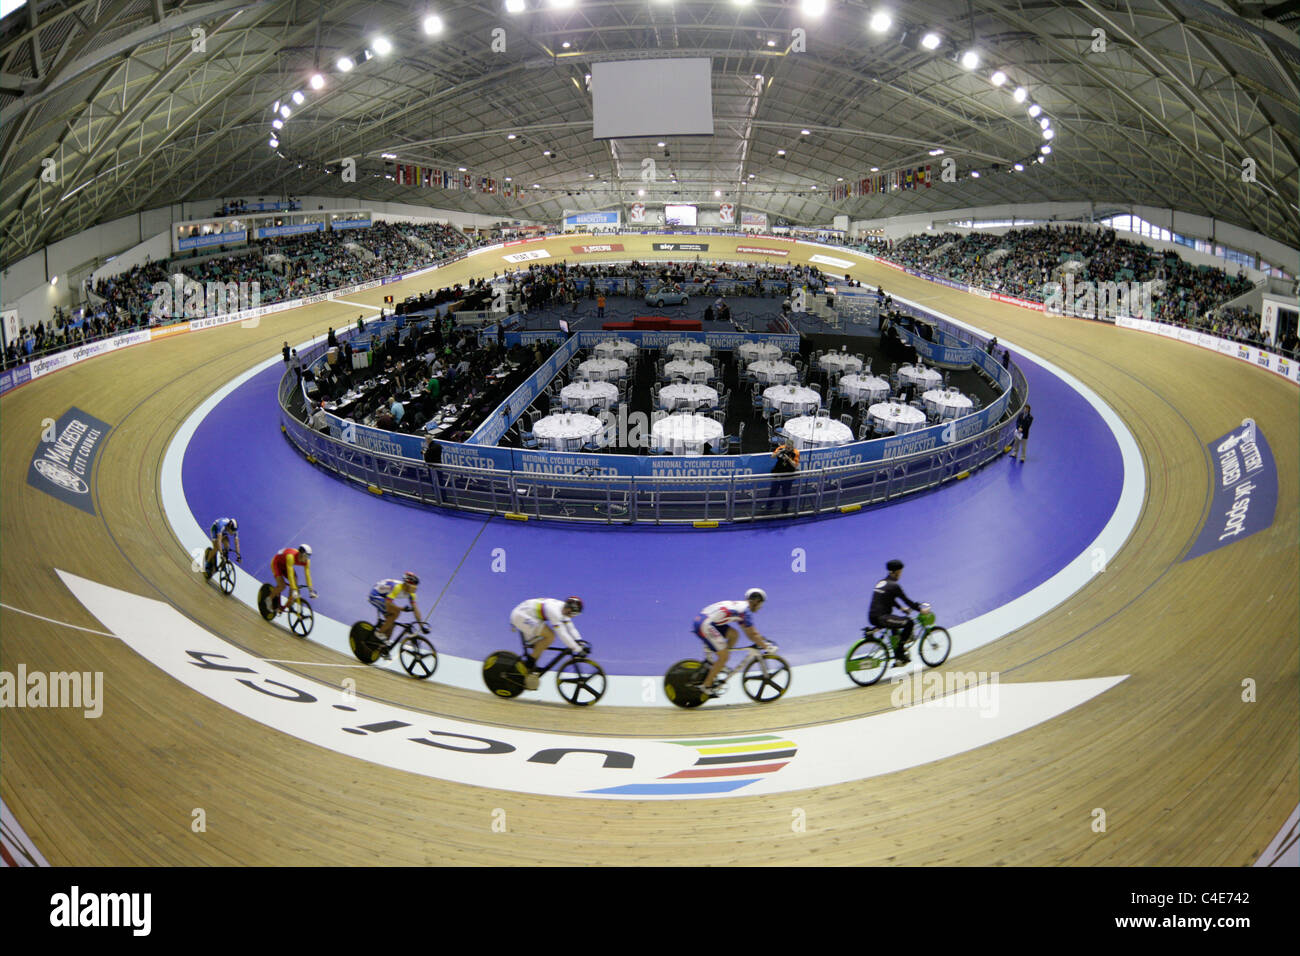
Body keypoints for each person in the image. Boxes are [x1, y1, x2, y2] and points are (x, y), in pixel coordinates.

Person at [692, 589, 776, 697]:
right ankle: (706, 686)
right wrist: (767, 647)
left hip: (704, 620)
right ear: (756, 601)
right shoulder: (746, 611)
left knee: (734, 634)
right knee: (724, 657)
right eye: (761, 604)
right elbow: (752, 635)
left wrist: (761, 639)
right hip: (706, 625)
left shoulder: (741, 607)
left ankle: (719, 665)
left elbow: (750, 631)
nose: (761, 607)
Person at [509, 596, 588, 689]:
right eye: (574, 614)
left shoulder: (563, 608)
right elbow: (562, 634)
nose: (572, 617)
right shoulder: (555, 612)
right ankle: (528, 665)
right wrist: (577, 649)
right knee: (550, 636)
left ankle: (529, 668)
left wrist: (580, 641)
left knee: (540, 644)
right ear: (570, 610)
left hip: (526, 613)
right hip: (522, 616)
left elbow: (571, 628)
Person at [868, 559, 923, 663]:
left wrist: (901, 608)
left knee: (895, 626)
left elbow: (889, 599)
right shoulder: (894, 585)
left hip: (873, 616)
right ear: (897, 571)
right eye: (901, 571)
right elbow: (907, 601)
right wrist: (920, 610)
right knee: (909, 622)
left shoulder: (882, 582)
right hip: (882, 618)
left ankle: (898, 659)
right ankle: (899, 652)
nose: (901, 574)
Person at [367, 572, 428, 650]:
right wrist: (401, 609)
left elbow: (416, 609)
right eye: (414, 585)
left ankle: (384, 648)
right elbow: (388, 603)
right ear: (406, 584)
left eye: (416, 585)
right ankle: (378, 633)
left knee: (391, 624)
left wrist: (421, 625)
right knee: (396, 613)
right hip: (376, 595)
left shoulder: (412, 594)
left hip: (386, 596)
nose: (415, 588)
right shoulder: (397, 588)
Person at [269, 543, 316, 613]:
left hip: (286, 564)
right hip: (277, 563)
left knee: (295, 580)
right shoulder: (291, 556)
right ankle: (268, 600)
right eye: (306, 556)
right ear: (301, 554)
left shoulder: (307, 561)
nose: (307, 559)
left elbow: (307, 575)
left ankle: (289, 603)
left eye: (308, 556)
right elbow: (290, 574)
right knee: (282, 586)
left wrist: (311, 590)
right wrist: (294, 589)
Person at [766, 438, 800, 513]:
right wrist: (778, 452)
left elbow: (795, 465)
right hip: (778, 473)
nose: (788, 449)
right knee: (773, 491)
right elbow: (772, 456)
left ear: (792, 447)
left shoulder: (796, 452)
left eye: (789, 448)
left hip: (788, 476)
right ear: (785, 445)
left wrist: (788, 459)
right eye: (787, 447)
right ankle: (769, 505)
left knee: (786, 493)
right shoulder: (780, 448)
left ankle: (785, 508)